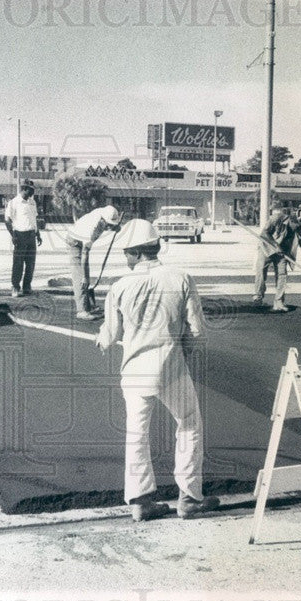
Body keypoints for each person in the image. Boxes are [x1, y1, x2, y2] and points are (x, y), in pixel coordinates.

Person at [96, 218, 219, 522]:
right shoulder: (181, 278)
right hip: (171, 368)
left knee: (137, 433)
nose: (125, 258)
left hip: (135, 371)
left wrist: (101, 340)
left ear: (135, 253)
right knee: (189, 423)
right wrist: (184, 350)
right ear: (156, 247)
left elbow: (109, 337)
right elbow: (198, 331)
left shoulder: (120, 286)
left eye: (126, 253)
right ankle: (189, 498)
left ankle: (140, 502)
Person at [253, 199, 301, 311]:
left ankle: (278, 302)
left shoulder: (300, 231)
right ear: (293, 220)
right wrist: (275, 245)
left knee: (282, 274)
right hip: (266, 248)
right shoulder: (276, 218)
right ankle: (258, 297)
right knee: (261, 271)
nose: (299, 228)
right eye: (298, 225)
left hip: (283, 253)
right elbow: (264, 233)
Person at [65, 204, 121, 320]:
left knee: (86, 275)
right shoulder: (92, 228)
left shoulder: (103, 213)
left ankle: (89, 305)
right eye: (108, 224)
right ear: (103, 220)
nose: (109, 227)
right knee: (81, 277)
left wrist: (115, 227)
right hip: (74, 243)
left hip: (81, 240)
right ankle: (82, 310)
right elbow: (85, 253)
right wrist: (85, 277)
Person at [4, 180, 42, 297]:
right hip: (20, 235)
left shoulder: (32, 202)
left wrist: (38, 234)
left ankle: (27, 287)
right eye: (31, 189)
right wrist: (13, 235)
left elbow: (34, 220)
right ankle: (15, 287)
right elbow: (7, 220)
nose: (33, 191)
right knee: (18, 263)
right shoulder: (14, 202)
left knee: (30, 264)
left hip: (31, 235)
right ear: (25, 189)